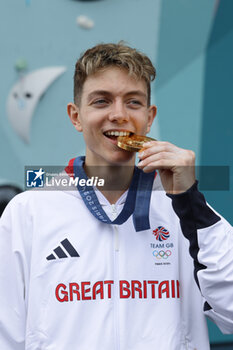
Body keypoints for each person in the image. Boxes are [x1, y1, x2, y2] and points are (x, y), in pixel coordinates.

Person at [0, 42, 233, 350]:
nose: (119, 115)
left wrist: (191, 203)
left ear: (149, 118)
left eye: (133, 103)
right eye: (101, 101)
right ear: (76, 116)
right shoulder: (28, 212)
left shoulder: (184, 210)